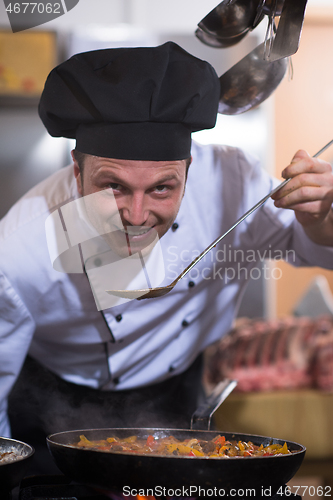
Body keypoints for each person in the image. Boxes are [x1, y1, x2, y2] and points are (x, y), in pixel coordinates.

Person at [1, 42, 333, 474]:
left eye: (162, 188)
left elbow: (314, 247)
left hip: (176, 393)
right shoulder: (19, 250)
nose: (137, 217)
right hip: (51, 404)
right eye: (113, 186)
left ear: (190, 171)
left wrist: (321, 215)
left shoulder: (235, 185)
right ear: (77, 172)